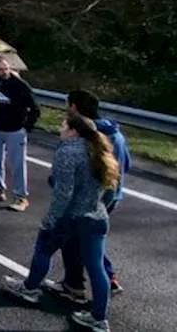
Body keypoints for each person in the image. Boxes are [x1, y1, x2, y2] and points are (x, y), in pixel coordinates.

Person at [1, 113, 118, 331]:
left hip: (71, 217)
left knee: (44, 249)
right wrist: (100, 207)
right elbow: (111, 189)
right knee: (96, 267)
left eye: (63, 125)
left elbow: (64, 193)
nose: (60, 129)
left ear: (73, 131)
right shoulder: (100, 152)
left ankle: (29, 289)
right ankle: (99, 318)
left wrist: (51, 219)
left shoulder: (68, 152)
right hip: (97, 217)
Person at [44, 90, 130, 301]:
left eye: (67, 104)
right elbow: (126, 164)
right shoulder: (116, 134)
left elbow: (71, 171)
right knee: (89, 239)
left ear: (74, 107)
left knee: (73, 241)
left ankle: (74, 286)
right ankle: (108, 279)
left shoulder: (82, 136)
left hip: (87, 198)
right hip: (112, 195)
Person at [0, 55, 41, 211]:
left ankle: (21, 197)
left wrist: (26, 127)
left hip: (14, 130)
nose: (5, 72)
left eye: (6, 68)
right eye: (0, 69)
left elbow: (35, 108)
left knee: (18, 164)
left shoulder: (19, 85)